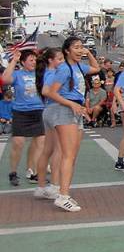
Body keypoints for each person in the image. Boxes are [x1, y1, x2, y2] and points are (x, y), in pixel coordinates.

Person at [40, 36, 100, 212]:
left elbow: (96, 68)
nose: (80, 50)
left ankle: (64, 192)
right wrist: (71, 104)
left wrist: (88, 52)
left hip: (75, 110)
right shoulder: (64, 69)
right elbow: (51, 93)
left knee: (71, 156)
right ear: (67, 50)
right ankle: (62, 195)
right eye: (76, 47)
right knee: (67, 155)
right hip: (64, 110)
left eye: (82, 46)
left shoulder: (79, 66)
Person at [3, 50, 44, 186]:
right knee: (18, 143)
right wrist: (13, 60)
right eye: (31, 60)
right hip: (21, 113)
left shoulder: (40, 74)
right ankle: (13, 173)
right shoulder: (17, 74)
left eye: (35, 60)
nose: (34, 62)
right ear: (23, 62)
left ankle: (33, 172)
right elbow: (5, 79)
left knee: (39, 143)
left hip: (38, 112)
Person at [33, 48, 64, 202]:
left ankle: (40, 186)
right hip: (56, 111)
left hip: (48, 111)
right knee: (58, 150)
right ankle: (55, 185)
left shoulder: (46, 72)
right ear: (51, 60)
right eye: (59, 58)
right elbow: (48, 92)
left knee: (47, 150)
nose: (62, 61)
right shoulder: (53, 73)